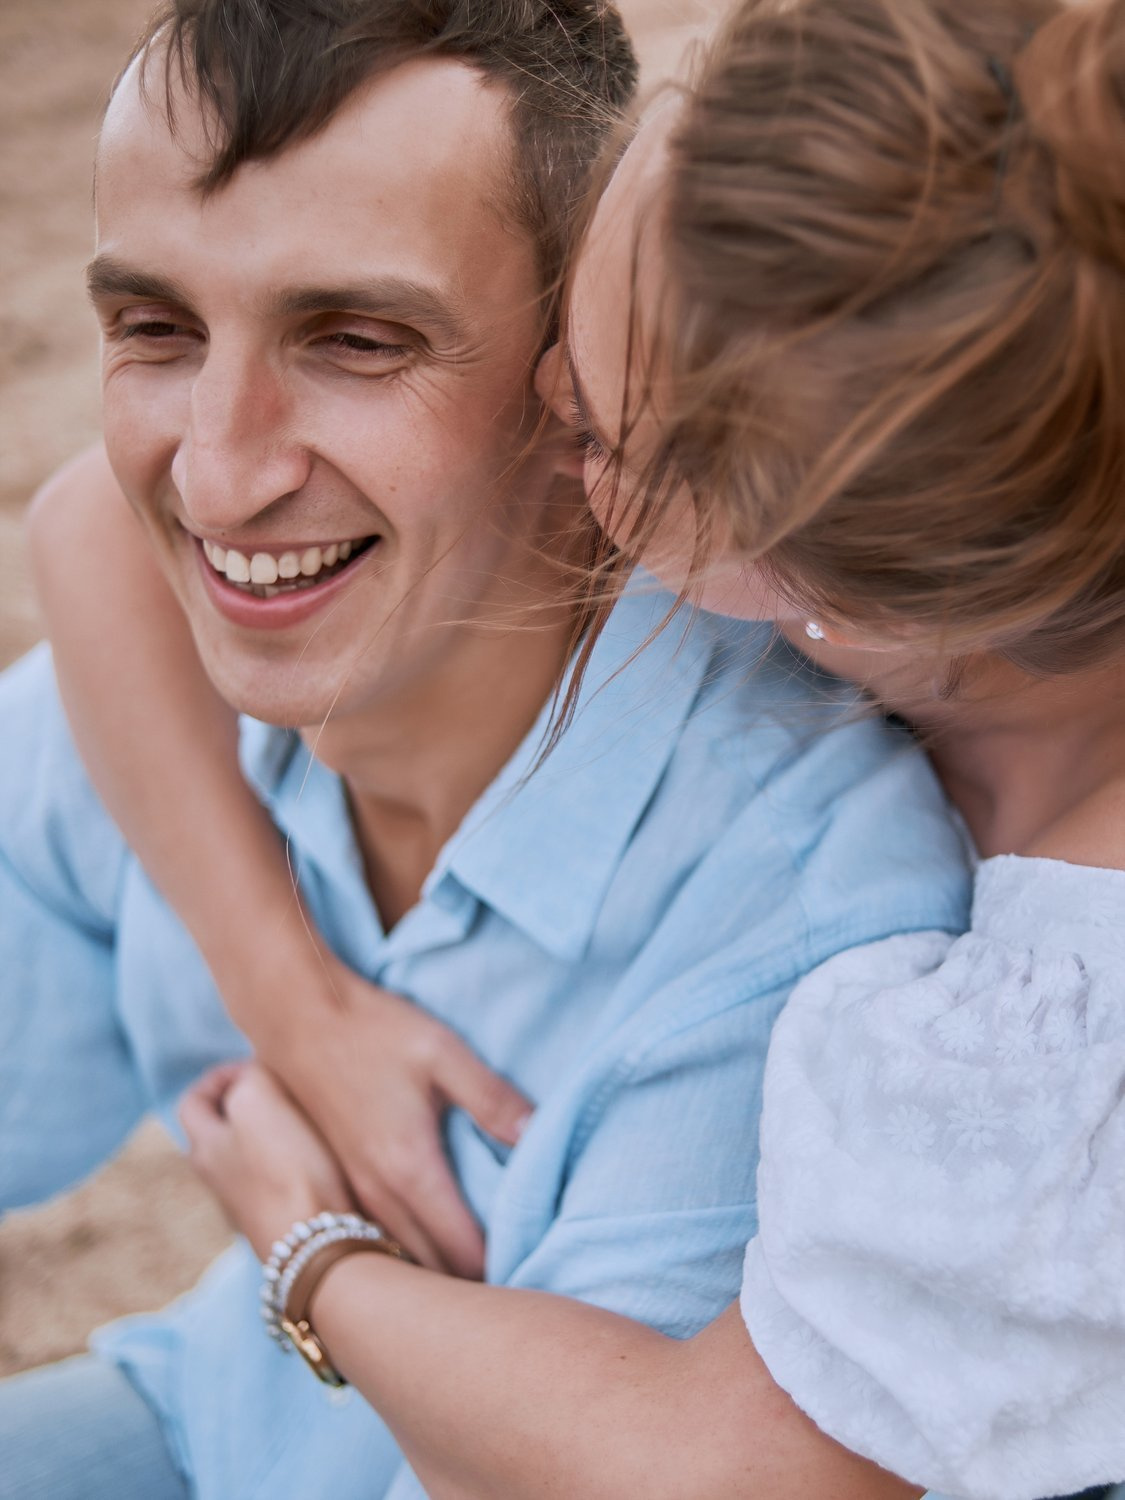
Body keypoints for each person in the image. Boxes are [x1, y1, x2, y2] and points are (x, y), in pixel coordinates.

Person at [19, 0, 1125, 1497]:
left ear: (790, 568)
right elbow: (89, 525)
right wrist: (290, 995)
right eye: (156, 328)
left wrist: (309, 1250)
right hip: (224, 1407)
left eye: (600, 433)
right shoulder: (901, 541)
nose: (219, 476)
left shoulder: (933, 971)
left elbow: (716, 1470)